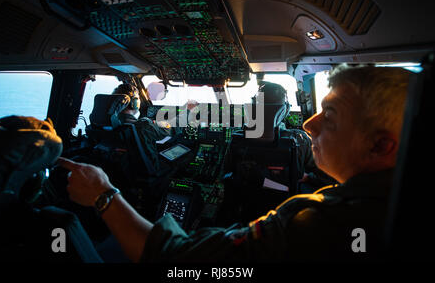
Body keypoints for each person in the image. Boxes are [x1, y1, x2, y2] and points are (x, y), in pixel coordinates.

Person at [59, 64, 410, 262]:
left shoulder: (310, 220)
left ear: (381, 144)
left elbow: (174, 263)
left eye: (329, 115)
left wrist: (103, 195)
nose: (309, 124)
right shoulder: (304, 153)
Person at [112, 83, 170, 172]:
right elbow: (170, 129)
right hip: (151, 175)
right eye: (138, 98)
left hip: (120, 174)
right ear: (134, 102)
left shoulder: (105, 125)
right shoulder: (143, 125)